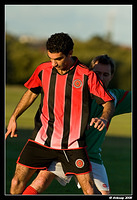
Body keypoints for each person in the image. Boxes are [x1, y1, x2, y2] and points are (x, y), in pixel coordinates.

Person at [5, 34, 115, 195]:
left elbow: (108, 101)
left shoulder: (86, 75)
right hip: (42, 140)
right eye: (50, 58)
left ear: (70, 53)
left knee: (90, 190)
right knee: (16, 181)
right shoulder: (43, 70)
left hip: (72, 144)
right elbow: (31, 93)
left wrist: (104, 117)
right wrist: (14, 117)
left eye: (58, 59)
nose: (53, 63)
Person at [20, 55, 131, 195]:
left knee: (102, 194)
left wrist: (103, 117)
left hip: (91, 155)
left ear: (111, 76)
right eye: (97, 73)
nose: (101, 78)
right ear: (90, 73)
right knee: (41, 181)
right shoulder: (74, 90)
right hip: (65, 150)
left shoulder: (115, 98)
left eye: (106, 74)